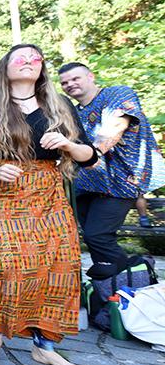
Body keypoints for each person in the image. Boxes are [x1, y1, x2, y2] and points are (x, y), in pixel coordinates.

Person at [0, 44, 98, 365]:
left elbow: (88, 155)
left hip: (48, 192)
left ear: (42, 68)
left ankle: (45, 347)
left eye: (34, 58)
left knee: (60, 265)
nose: (27, 62)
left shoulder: (60, 107)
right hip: (1, 192)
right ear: (5, 67)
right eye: (18, 58)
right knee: (10, 266)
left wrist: (66, 144)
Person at [58, 62, 165, 277]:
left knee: (98, 235)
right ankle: (109, 288)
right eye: (64, 82)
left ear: (91, 76)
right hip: (86, 184)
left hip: (122, 181)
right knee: (93, 239)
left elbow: (115, 127)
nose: (70, 84)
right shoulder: (71, 113)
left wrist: (94, 152)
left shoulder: (117, 94)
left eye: (75, 78)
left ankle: (138, 270)